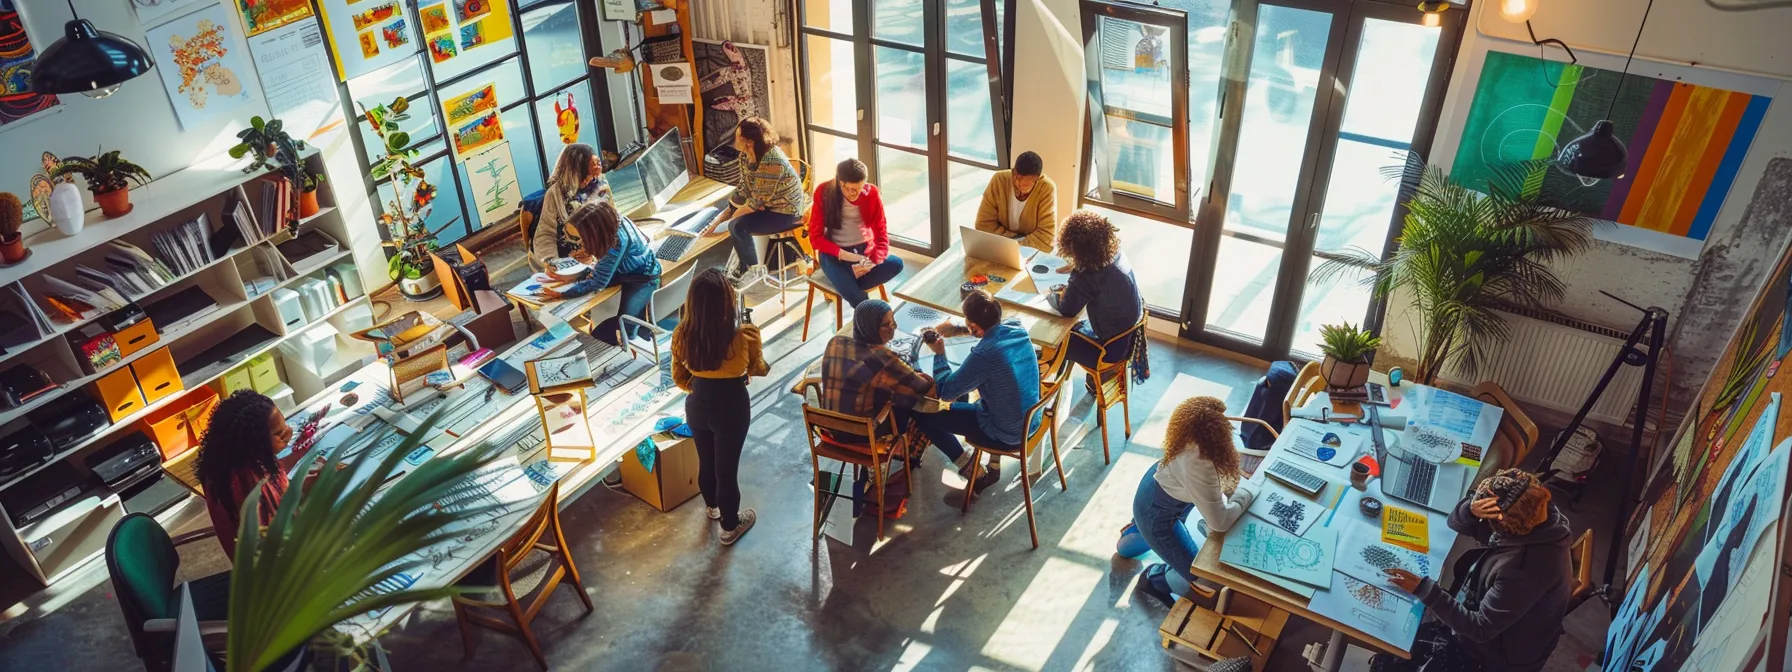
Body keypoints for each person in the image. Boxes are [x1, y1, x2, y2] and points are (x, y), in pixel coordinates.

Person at [1376, 469, 1574, 672]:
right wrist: (1470, 511)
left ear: (1501, 522)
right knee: (1392, 649)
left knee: (1388, 661)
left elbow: (1479, 629)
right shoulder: (1534, 514)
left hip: (1492, 656)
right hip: (1487, 614)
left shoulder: (1526, 567)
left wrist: (1426, 590)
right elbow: (1455, 522)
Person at [671, 268, 770, 545]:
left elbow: (679, 378)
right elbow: (758, 368)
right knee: (727, 470)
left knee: (706, 461)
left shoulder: (681, 334)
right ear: (726, 300)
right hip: (731, 405)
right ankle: (730, 526)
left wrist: (702, 384)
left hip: (698, 404)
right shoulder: (744, 335)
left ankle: (712, 508)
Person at [1130, 396, 1256, 606]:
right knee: (1200, 575)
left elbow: (1218, 479)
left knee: (1143, 544)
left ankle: (1140, 533)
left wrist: (1232, 491)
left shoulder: (1189, 436)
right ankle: (1155, 579)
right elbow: (1220, 523)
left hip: (1161, 489)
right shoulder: (1198, 462)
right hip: (1156, 515)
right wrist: (1246, 496)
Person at [913, 290, 1041, 492]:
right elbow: (989, 329)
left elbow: (946, 391)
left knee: (924, 414)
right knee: (985, 396)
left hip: (1006, 433)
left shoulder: (985, 354)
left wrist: (939, 353)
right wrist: (959, 329)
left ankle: (973, 471)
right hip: (1032, 420)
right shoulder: (1017, 327)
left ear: (975, 327)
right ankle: (994, 464)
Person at [539, 201, 661, 344]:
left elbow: (598, 282)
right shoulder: (616, 220)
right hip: (629, 268)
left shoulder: (615, 244)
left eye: (580, 238)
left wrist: (562, 294)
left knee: (624, 331)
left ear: (594, 232)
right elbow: (602, 268)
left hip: (643, 278)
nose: (579, 243)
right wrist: (574, 277)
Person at [818, 300, 935, 442]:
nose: (895, 327)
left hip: (830, 427)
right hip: (861, 434)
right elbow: (924, 389)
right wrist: (931, 362)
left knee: (885, 389)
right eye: (888, 324)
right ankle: (904, 447)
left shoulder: (836, 342)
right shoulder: (881, 358)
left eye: (893, 321)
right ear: (871, 328)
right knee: (907, 401)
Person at [195, 391, 293, 559]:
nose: (289, 434)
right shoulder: (251, 487)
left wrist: (299, 464)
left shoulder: (225, 463)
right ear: (255, 441)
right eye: (280, 433)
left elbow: (277, 481)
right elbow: (281, 545)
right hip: (277, 576)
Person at [1048, 210, 1144, 372]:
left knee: (1053, 336)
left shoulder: (1087, 275)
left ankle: (1052, 385)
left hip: (1106, 351)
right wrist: (1077, 266)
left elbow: (1067, 310)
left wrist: (1051, 293)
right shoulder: (1115, 254)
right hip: (1126, 340)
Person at [718, 117, 807, 287]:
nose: (735, 141)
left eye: (738, 137)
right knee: (730, 216)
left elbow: (755, 202)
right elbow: (744, 186)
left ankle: (752, 269)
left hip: (786, 211)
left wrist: (730, 218)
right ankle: (743, 264)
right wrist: (728, 208)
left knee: (736, 226)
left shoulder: (772, 161)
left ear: (749, 142)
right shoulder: (745, 157)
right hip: (767, 202)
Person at [807, 158, 904, 307]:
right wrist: (848, 256)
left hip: (863, 251)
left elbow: (881, 233)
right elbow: (815, 238)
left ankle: (847, 282)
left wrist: (874, 260)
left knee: (896, 264)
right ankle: (869, 314)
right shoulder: (824, 192)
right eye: (852, 189)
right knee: (858, 298)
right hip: (834, 253)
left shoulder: (871, 193)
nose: (857, 194)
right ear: (841, 182)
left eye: (860, 188)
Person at [533, 143, 612, 271]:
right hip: (567, 261)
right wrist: (552, 262)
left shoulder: (600, 183)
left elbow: (613, 224)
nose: (588, 181)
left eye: (591, 177)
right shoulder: (556, 194)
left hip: (599, 257)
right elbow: (546, 234)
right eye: (585, 177)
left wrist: (595, 256)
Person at [975, 151, 1058, 251]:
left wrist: (1014, 246)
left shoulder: (1046, 188)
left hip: (1027, 253)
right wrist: (1013, 241)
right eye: (1016, 177)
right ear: (1014, 171)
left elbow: (1046, 239)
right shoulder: (999, 180)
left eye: (1024, 184)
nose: (1018, 183)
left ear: (1037, 180)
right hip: (999, 249)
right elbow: (983, 225)